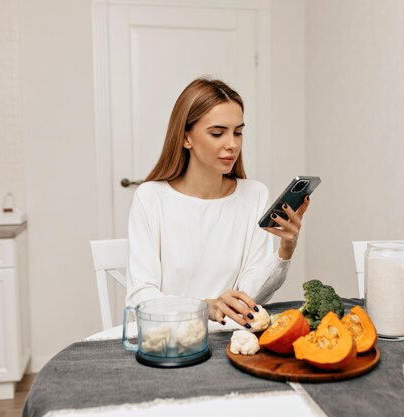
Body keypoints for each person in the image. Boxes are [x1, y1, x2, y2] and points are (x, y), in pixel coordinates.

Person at [126, 77, 310, 328]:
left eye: (238, 132)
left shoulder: (254, 195)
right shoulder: (150, 198)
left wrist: (284, 251)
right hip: (172, 341)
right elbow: (139, 299)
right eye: (217, 133)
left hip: (231, 339)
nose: (232, 144)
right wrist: (204, 307)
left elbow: (251, 297)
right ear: (185, 138)